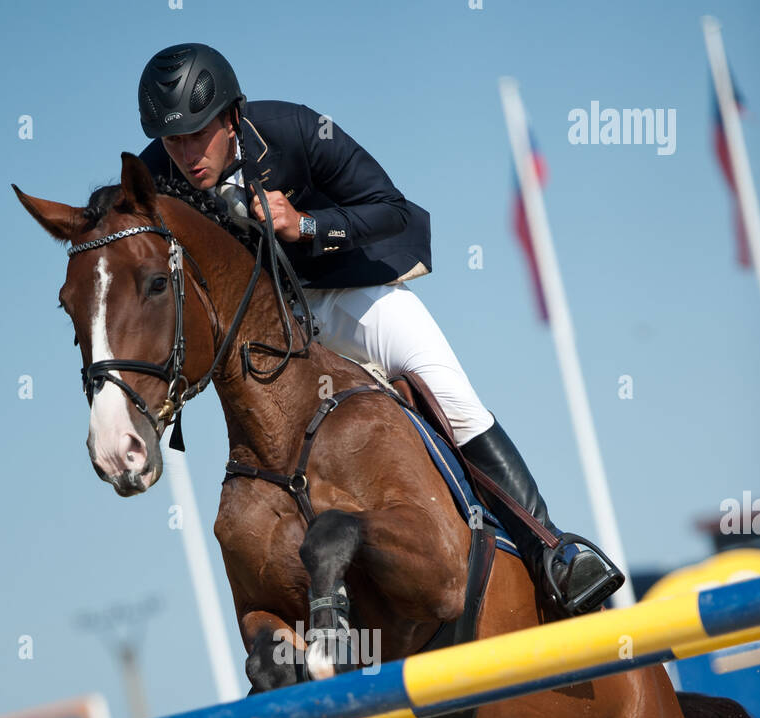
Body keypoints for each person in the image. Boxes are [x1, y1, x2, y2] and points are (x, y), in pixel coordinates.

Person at [137, 44, 624, 615]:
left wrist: (305, 223)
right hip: (270, 326)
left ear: (231, 117)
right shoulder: (154, 178)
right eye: (175, 141)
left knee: (451, 393)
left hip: (351, 294)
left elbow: (390, 207)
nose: (188, 155)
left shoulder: (295, 129)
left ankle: (552, 552)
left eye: (199, 135)